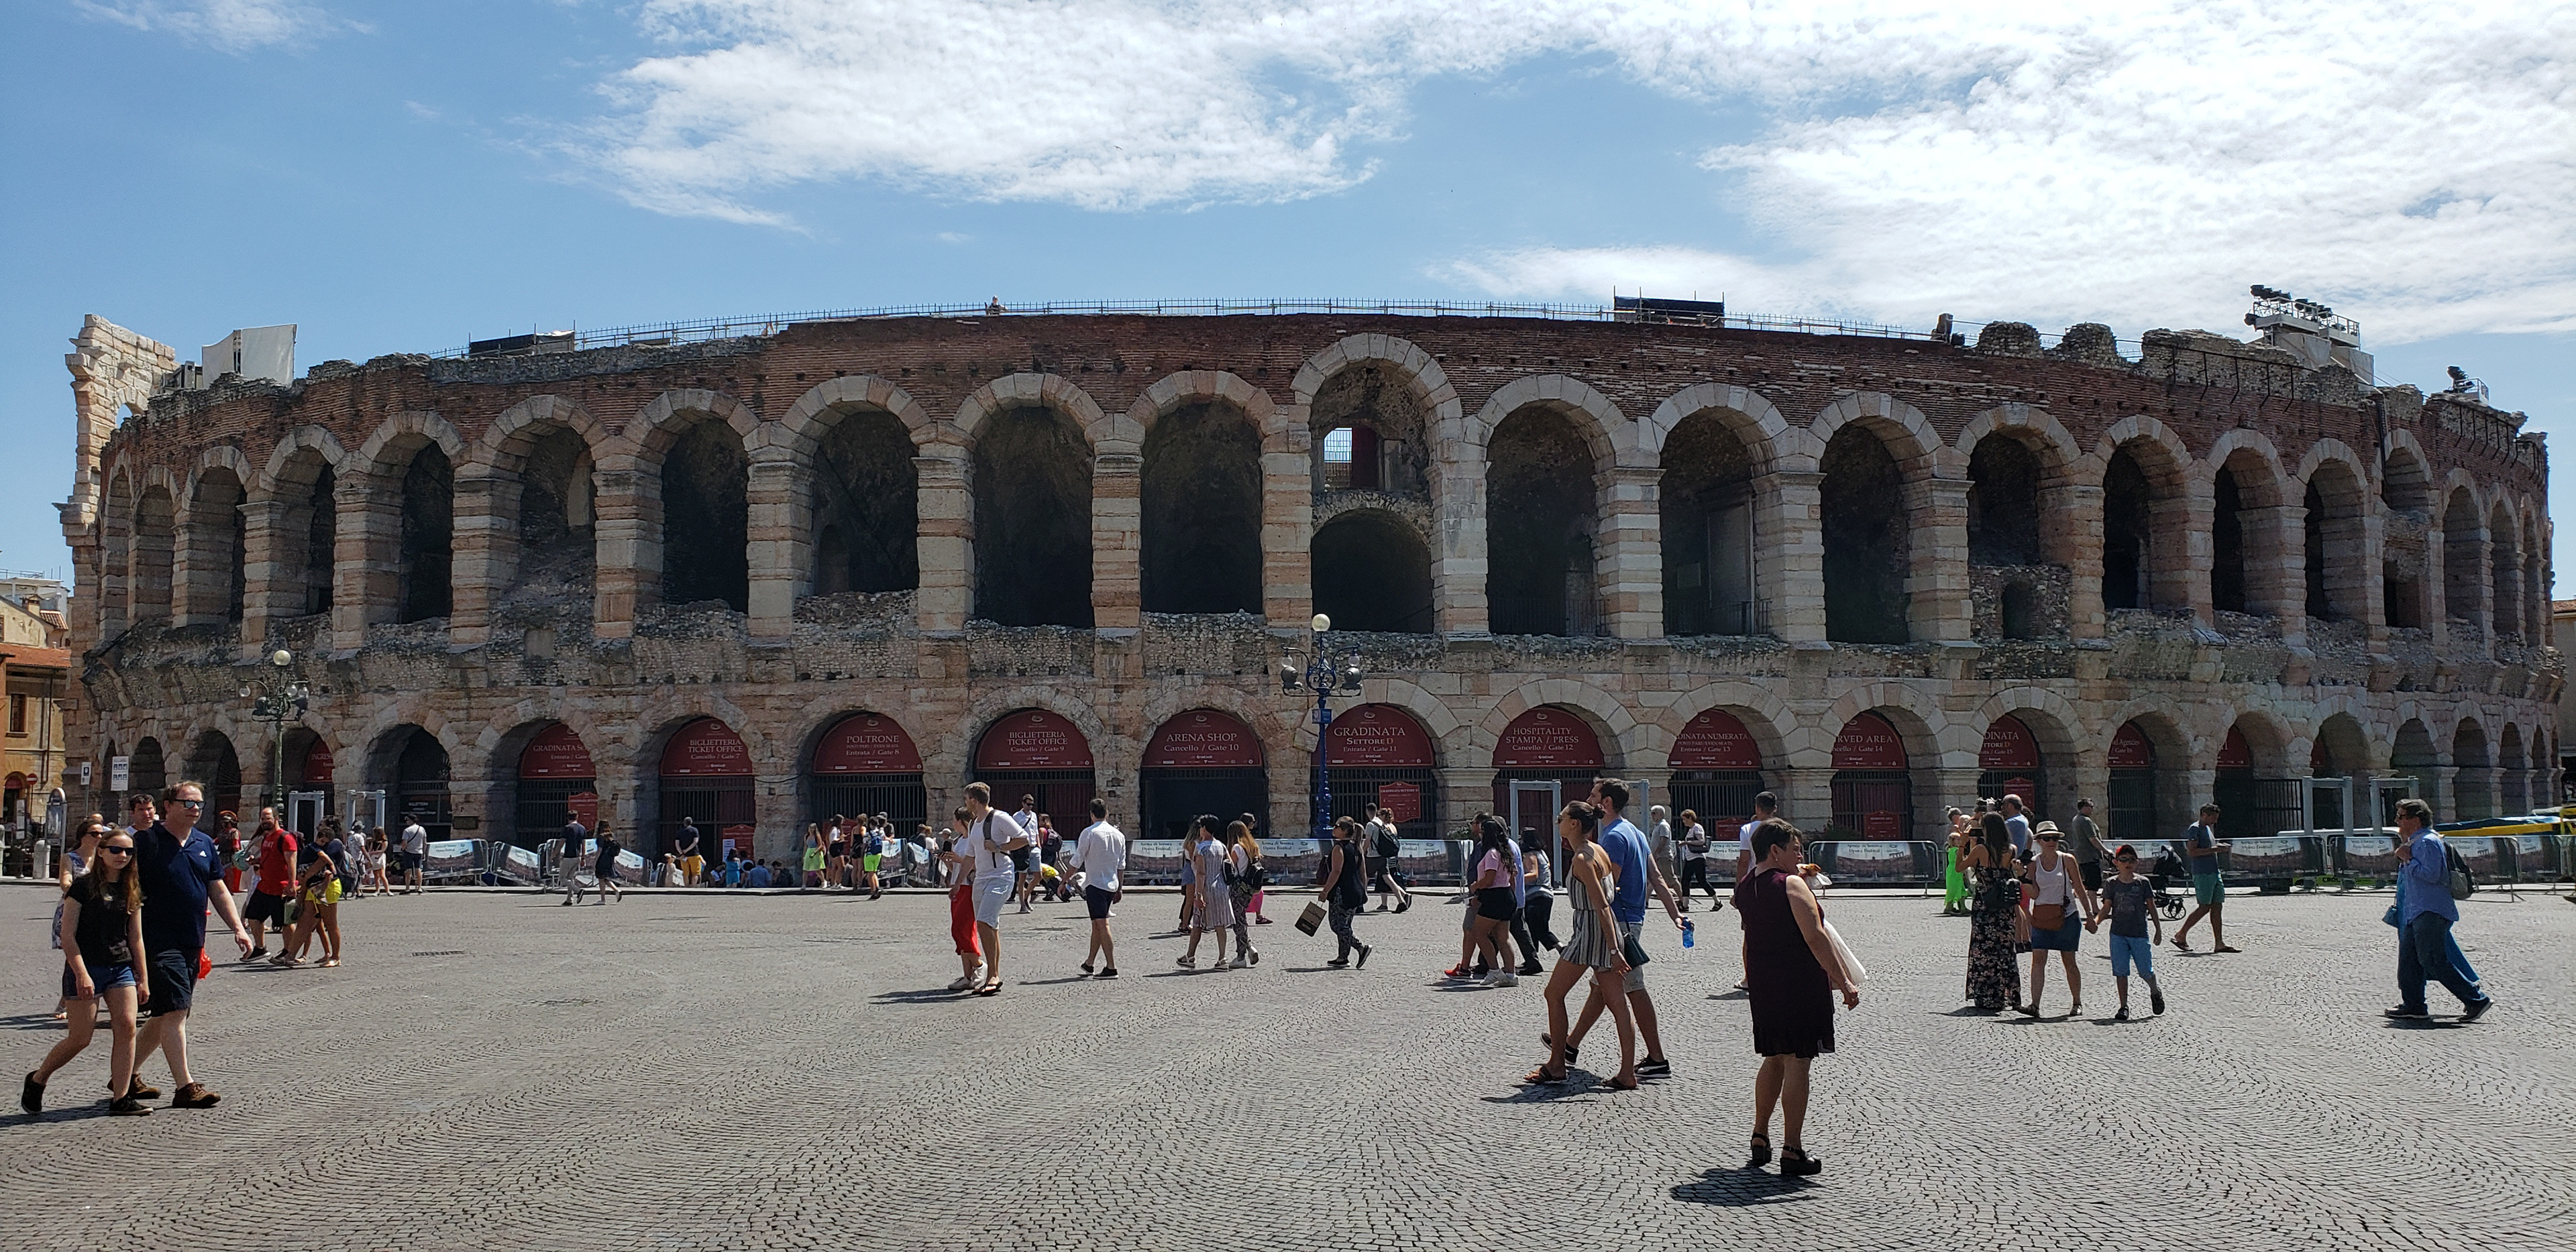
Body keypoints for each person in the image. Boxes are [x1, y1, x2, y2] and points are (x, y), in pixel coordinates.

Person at [1735, 819, 1860, 1176]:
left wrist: (1750, 978)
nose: (1800, 855)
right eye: (1795, 848)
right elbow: (1816, 937)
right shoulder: (1790, 884)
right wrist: (1845, 981)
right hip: (1799, 981)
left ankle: (1760, 1134)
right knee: (1798, 1062)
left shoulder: (1746, 886)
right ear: (1775, 850)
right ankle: (1793, 1147)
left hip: (1764, 982)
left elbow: (1747, 940)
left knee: (1774, 1057)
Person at [129, 783, 256, 1109]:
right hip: (155, 941)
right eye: (187, 802)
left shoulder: (204, 844)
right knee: (175, 1011)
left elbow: (218, 888)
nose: (194, 809)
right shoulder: (145, 842)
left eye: (198, 803)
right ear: (167, 805)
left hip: (191, 941)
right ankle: (185, 1087)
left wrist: (238, 929)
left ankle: (125, 1076)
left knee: (162, 1016)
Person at [1552, 780, 1684, 1078]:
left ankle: (1656, 1059)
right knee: (1602, 989)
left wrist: (1612, 944)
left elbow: (1604, 890)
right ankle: (1570, 1044)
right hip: (1632, 918)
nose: (1589, 798)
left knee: (1632, 989)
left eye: (1594, 795)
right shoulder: (1636, 832)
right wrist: (1675, 914)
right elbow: (1658, 879)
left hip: (1617, 920)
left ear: (1606, 803)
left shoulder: (1610, 838)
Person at [22, 828, 153, 1116]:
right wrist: (81, 973)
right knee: (81, 1038)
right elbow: (68, 935)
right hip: (87, 964)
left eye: (128, 852)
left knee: (127, 1027)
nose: (122, 856)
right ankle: (38, 1078)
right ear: (102, 852)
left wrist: (142, 977)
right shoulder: (82, 887)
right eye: (116, 850)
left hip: (120, 967)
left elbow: (136, 938)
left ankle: (121, 1098)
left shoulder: (131, 888)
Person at [1525, 800, 1635, 1088]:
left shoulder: (1583, 858)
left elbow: (1600, 907)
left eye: (1561, 817)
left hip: (1590, 933)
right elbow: (1610, 896)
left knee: (1553, 993)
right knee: (1619, 1006)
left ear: (1574, 824)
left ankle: (1557, 1064)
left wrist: (1613, 951)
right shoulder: (1598, 850)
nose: (1557, 820)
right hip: (1602, 932)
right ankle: (1627, 1073)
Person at [2387, 797, 2494, 1022]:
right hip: (2415, 910)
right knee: (2409, 960)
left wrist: (2408, 860)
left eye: (2401, 817)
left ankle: (2476, 999)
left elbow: (2432, 875)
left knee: (2433, 960)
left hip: (2431, 910)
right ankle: (2414, 1004)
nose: (2397, 820)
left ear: (2416, 819)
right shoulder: (2415, 841)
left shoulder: (2427, 842)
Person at [2019, 821, 2098, 1017]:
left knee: (2069, 960)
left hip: (2067, 915)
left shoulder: (2067, 860)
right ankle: (2035, 1005)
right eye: (2047, 838)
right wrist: (2023, 877)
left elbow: (2079, 888)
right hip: (2042, 916)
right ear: (2039, 841)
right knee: (2038, 959)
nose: (2051, 842)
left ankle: (2077, 1002)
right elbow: (2034, 894)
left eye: (2054, 838)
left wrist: (2090, 915)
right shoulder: (2033, 864)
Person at [960, 783, 1030, 994]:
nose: (965, 802)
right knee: (990, 927)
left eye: (966, 799)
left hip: (1001, 877)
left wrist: (1000, 847)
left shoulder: (1000, 817)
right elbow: (970, 856)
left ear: (974, 800)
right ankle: (994, 974)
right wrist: (957, 883)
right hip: (981, 879)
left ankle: (993, 975)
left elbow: (1023, 839)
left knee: (983, 922)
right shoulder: (974, 823)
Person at [2094, 844, 2166, 1020]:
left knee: (2145, 971)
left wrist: (2158, 929)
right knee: (2121, 971)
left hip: (2139, 933)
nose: (2128, 863)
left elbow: (2151, 906)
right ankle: (2123, 1006)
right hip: (2118, 933)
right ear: (2117, 863)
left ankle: (2155, 991)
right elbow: (2107, 906)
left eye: (2131, 860)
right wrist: (2097, 921)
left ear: (2136, 863)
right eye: (2124, 860)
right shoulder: (2111, 883)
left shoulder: (2143, 883)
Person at [1962, 813, 2023, 1012]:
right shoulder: (2011, 850)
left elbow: (1959, 868)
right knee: (2005, 951)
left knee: (1983, 951)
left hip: (1985, 906)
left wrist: (1962, 844)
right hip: (2004, 908)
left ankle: (1986, 995)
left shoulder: (1981, 849)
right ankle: (2008, 994)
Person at [48, 819, 103, 1020]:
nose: (99, 837)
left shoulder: (104, 856)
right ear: (83, 836)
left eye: (101, 834)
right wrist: (81, 890)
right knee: (74, 957)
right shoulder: (70, 858)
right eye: (94, 833)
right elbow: (65, 881)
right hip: (74, 911)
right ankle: (66, 1001)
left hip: (99, 914)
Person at [2171, 803, 2238, 953]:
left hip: (2214, 872)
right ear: (2204, 815)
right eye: (2213, 817)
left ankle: (2219, 943)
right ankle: (2181, 934)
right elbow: (2192, 852)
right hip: (2203, 873)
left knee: (2217, 906)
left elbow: (2208, 847)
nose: (2215, 821)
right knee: (2204, 907)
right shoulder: (2195, 829)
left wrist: (2219, 846)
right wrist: (2216, 849)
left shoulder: (2207, 829)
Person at [1462, 815, 1519, 986]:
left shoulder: (1492, 854)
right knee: (1503, 938)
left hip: (1494, 897)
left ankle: (1494, 970)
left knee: (1478, 932)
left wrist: (1475, 887)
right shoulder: (1505, 852)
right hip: (1507, 896)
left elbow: (1489, 878)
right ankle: (1511, 975)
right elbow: (1513, 878)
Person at [1075, 798, 1125, 977]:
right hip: (1111, 884)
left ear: (1091, 814)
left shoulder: (1088, 833)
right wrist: (1120, 887)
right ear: (1107, 814)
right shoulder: (1119, 835)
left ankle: (1111, 967)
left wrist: (1064, 880)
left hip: (1095, 884)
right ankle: (1090, 963)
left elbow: (1077, 860)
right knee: (1097, 923)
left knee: (1102, 924)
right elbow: (1121, 865)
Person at [1178, 815, 1236, 970]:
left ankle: (1190, 956)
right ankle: (1222, 958)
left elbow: (1201, 873)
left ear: (1203, 828)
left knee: (1197, 923)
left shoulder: (1201, 848)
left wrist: (1198, 895)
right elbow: (1230, 865)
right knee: (1220, 924)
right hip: (1222, 888)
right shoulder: (1221, 846)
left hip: (1206, 888)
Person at [1314, 815, 1373, 968]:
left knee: (1337, 925)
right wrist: (1364, 890)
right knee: (1346, 924)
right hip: (1355, 891)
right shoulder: (1356, 847)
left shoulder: (1338, 848)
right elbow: (1363, 872)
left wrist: (1325, 891)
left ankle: (1361, 947)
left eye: (1336, 827)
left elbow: (1336, 871)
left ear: (1344, 831)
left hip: (1342, 892)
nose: (1334, 829)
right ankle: (1343, 957)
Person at [240, 809, 296, 960]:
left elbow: (292, 863)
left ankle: (288, 951)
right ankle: (260, 948)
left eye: (268, 818)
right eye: (262, 818)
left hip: (281, 888)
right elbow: (267, 859)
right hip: (264, 886)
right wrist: (255, 861)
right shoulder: (266, 838)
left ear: (276, 818)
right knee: (252, 917)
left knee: (285, 922)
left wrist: (291, 884)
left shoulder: (285, 838)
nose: (264, 821)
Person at [941, 808, 985, 990]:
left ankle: (979, 965)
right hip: (958, 886)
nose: (953, 823)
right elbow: (955, 870)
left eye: (954, 819)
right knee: (957, 930)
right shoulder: (958, 841)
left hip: (969, 886)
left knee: (965, 929)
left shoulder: (973, 841)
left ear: (962, 820)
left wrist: (960, 861)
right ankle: (968, 975)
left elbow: (976, 865)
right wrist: (947, 862)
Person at [1514, 826, 1559, 970]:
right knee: (1539, 928)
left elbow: (1534, 874)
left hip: (1535, 895)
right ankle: (1535, 958)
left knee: (1533, 928)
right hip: (1547, 894)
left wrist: (1517, 879)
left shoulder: (1531, 855)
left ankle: (1534, 959)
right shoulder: (1542, 854)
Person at [1225, 821, 1263, 969]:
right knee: (1241, 918)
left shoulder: (1237, 848)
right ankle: (1250, 947)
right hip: (1249, 889)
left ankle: (1241, 956)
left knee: (1238, 921)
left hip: (1238, 888)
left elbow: (1231, 866)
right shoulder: (1253, 847)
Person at [1365, 803, 1411, 912]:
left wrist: (1362, 853)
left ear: (1367, 812)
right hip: (1384, 856)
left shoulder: (1371, 825)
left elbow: (1367, 841)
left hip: (1373, 856)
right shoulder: (1382, 824)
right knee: (1388, 879)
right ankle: (1401, 901)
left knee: (1364, 879)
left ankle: (1358, 904)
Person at [2068, 797, 2105, 891]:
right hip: (2090, 856)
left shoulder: (2076, 819)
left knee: (2088, 881)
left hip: (2082, 855)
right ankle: (2093, 905)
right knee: (2094, 883)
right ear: (2084, 807)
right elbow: (2093, 839)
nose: (2092, 809)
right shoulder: (2085, 821)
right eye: (2091, 807)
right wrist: (2105, 851)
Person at [1941, 807, 1971, 916]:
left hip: (1957, 871)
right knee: (1953, 889)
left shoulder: (1957, 849)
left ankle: (1962, 907)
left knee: (1961, 889)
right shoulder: (1955, 850)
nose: (1959, 841)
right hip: (1954, 871)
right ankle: (1949, 907)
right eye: (1957, 840)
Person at [1648, 805, 1679, 911]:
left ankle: (1683, 899)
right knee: (1652, 879)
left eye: (1654, 813)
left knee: (1671, 879)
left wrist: (1657, 852)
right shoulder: (1658, 826)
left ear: (1660, 814)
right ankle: (1645, 901)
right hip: (1657, 857)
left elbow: (1664, 840)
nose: (1652, 816)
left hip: (1663, 857)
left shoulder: (1663, 826)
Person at [592, 823, 625, 904]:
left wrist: (594, 862)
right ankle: (617, 891)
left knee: (601, 879)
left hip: (602, 860)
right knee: (605, 879)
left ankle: (603, 899)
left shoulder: (601, 837)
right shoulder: (612, 835)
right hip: (610, 859)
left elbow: (599, 850)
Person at [400, 815, 428, 893]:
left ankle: (408, 888)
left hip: (409, 851)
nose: (407, 822)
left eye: (408, 820)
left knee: (408, 870)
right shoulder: (422, 829)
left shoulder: (407, 830)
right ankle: (419, 887)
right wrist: (424, 852)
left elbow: (405, 843)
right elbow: (424, 842)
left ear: (412, 821)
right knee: (418, 869)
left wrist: (402, 848)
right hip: (419, 852)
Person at [2000, 793, 2033, 858]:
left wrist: (1990, 812)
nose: (2002, 808)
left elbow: (1993, 829)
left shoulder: (2015, 822)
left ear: (2010, 806)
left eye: (2003, 804)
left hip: (2011, 861)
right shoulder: (2022, 818)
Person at [674, 819, 704, 888]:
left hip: (683, 856)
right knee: (695, 873)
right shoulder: (694, 830)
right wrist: (687, 850)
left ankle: (686, 887)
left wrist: (682, 853)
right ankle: (694, 887)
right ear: (691, 822)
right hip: (694, 854)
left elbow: (677, 844)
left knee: (685, 873)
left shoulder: (679, 832)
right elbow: (695, 842)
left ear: (684, 823)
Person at [802, 823, 827, 889]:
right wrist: (804, 855)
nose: (810, 830)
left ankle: (823, 881)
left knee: (817, 869)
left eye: (812, 828)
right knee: (805, 869)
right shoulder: (807, 836)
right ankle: (804, 884)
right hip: (809, 851)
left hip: (816, 852)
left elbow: (820, 845)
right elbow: (805, 846)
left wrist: (815, 852)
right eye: (810, 828)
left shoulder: (817, 836)